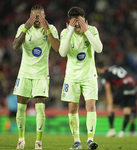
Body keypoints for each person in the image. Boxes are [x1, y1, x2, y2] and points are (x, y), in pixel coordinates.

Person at [12, 5, 59, 149]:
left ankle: (38, 142)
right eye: (35, 16)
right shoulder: (23, 27)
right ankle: (21, 140)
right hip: (25, 72)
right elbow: (15, 46)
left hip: (41, 74)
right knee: (20, 108)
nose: (37, 19)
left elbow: (57, 48)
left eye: (39, 16)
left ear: (44, 16)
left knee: (40, 108)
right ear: (30, 17)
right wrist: (26, 28)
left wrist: (48, 30)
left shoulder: (51, 28)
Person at [59, 6, 103, 150]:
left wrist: (86, 31)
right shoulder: (65, 32)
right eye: (74, 21)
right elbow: (62, 52)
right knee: (72, 108)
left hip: (89, 75)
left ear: (84, 20)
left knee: (91, 106)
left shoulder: (92, 30)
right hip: (72, 76)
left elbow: (99, 49)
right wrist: (70, 32)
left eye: (79, 21)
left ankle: (90, 140)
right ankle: (77, 141)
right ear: (70, 21)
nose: (77, 24)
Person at [96, 62, 137, 138]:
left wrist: (110, 103)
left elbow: (108, 90)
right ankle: (122, 132)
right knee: (127, 109)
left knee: (111, 108)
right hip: (132, 87)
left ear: (99, 69)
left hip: (123, 87)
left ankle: (112, 130)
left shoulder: (105, 74)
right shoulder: (115, 67)